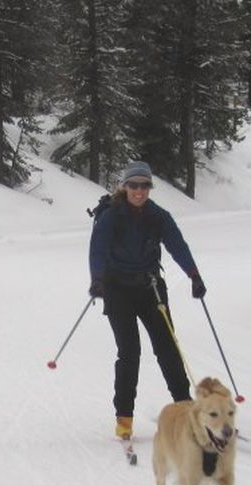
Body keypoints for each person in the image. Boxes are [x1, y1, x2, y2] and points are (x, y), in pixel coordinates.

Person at [88, 161, 207, 440]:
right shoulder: (111, 216)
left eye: (144, 186)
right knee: (130, 353)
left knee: (168, 348)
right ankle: (124, 418)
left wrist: (194, 275)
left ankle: (184, 408)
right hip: (117, 290)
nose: (139, 191)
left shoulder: (158, 216)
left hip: (150, 287)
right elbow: (97, 248)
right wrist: (97, 279)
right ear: (124, 187)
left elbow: (178, 245)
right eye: (133, 185)